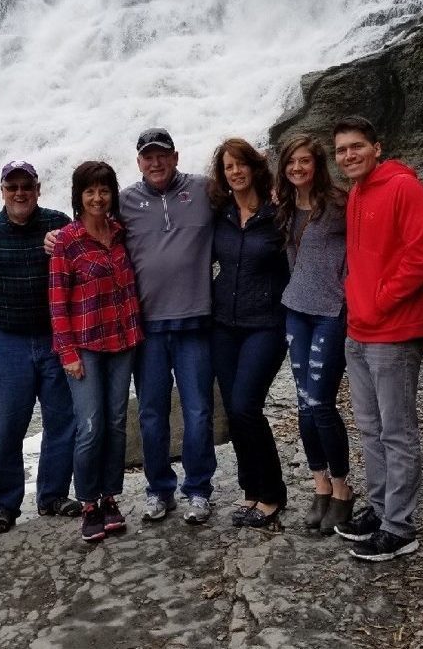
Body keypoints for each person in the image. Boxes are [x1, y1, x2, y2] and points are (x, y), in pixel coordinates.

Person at [332, 116, 423, 561]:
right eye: (341, 150)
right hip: (359, 331)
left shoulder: (402, 187)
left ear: (377, 147)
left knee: (396, 431)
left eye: (357, 146)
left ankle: (400, 526)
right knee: (371, 428)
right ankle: (380, 510)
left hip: (393, 332)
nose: (349, 155)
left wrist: (378, 300)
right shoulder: (357, 191)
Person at [0, 161, 79, 535]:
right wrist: (3, 316)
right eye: (12, 186)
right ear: (2, 190)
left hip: (56, 338)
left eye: (26, 186)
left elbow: (78, 270)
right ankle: (3, 505)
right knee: (4, 428)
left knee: (62, 421)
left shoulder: (58, 223)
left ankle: (53, 495)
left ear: (37, 188)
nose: (19, 193)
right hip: (6, 342)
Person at [119, 128, 217, 524]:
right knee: (151, 414)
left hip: (195, 321)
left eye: (162, 155)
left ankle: (197, 489)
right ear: (139, 161)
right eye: (148, 156)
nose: (155, 162)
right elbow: (88, 232)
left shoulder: (206, 191)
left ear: (175, 156)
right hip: (147, 328)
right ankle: (159, 490)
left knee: (198, 411)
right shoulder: (123, 202)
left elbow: (248, 201)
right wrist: (53, 237)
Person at [49, 162, 144, 542]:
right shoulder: (67, 242)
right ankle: (88, 502)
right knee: (90, 426)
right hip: (85, 347)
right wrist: (67, 353)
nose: (97, 198)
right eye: (89, 191)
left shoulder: (121, 232)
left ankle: (109, 496)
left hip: (123, 342)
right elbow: (57, 305)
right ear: (79, 196)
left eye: (104, 190)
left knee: (117, 423)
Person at [275, 134, 354, 534]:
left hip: (330, 313)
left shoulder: (340, 205)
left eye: (304, 161)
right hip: (296, 311)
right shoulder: (287, 206)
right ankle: (320, 486)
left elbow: (365, 248)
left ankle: (342, 491)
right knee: (304, 405)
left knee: (321, 403)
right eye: (291, 162)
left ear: (317, 164)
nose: (297, 168)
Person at [209, 139, 289, 529]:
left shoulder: (279, 213)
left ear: (255, 167)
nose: (235, 172)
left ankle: (273, 493)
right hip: (224, 325)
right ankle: (251, 490)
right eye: (228, 167)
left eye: (240, 164)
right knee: (235, 409)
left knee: (245, 406)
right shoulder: (220, 213)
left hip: (266, 324)